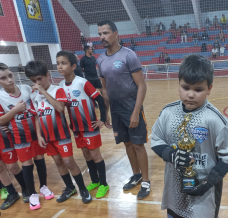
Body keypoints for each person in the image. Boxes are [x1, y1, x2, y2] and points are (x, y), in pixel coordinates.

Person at [151, 54, 228, 218]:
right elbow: (156, 140)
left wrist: (207, 183)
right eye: (185, 87)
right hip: (175, 188)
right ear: (178, 85)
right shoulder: (168, 112)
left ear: (209, 88)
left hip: (204, 193)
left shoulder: (214, 119)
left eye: (198, 89)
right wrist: (170, 155)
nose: (190, 94)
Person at [96, 20, 151, 199]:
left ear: (116, 34)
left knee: (138, 145)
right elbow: (104, 89)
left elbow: (141, 86)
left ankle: (146, 181)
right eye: (100, 34)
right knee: (127, 144)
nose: (102, 37)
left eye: (105, 33)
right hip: (117, 111)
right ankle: (136, 175)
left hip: (131, 108)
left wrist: (136, 112)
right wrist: (106, 113)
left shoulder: (129, 55)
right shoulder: (101, 59)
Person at [25, 60, 92, 204]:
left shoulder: (57, 90)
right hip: (47, 137)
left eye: (39, 79)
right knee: (57, 161)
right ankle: (69, 187)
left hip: (61, 135)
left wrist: (43, 91)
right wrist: (39, 135)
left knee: (68, 161)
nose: (37, 82)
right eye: (33, 80)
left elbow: (60, 108)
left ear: (47, 75)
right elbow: (36, 116)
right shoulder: (33, 95)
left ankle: (82, 188)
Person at [0, 63, 52, 210]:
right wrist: (15, 110)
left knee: (40, 161)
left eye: (10, 75)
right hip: (19, 137)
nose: (9, 79)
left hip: (34, 134)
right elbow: (1, 120)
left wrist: (40, 134)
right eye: (3, 78)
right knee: (27, 165)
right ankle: (32, 194)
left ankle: (44, 187)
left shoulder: (26, 89)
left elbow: (35, 113)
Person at [57, 51, 110, 199]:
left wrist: (102, 119)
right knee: (86, 154)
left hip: (89, 126)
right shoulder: (61, 85)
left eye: (64, 63)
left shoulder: (82, 82)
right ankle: (95, 181)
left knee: (95, 155)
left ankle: (104, 184)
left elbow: (99, 99)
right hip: (76, 128)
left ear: (73, 66)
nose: (60, 67)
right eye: (58, 63)